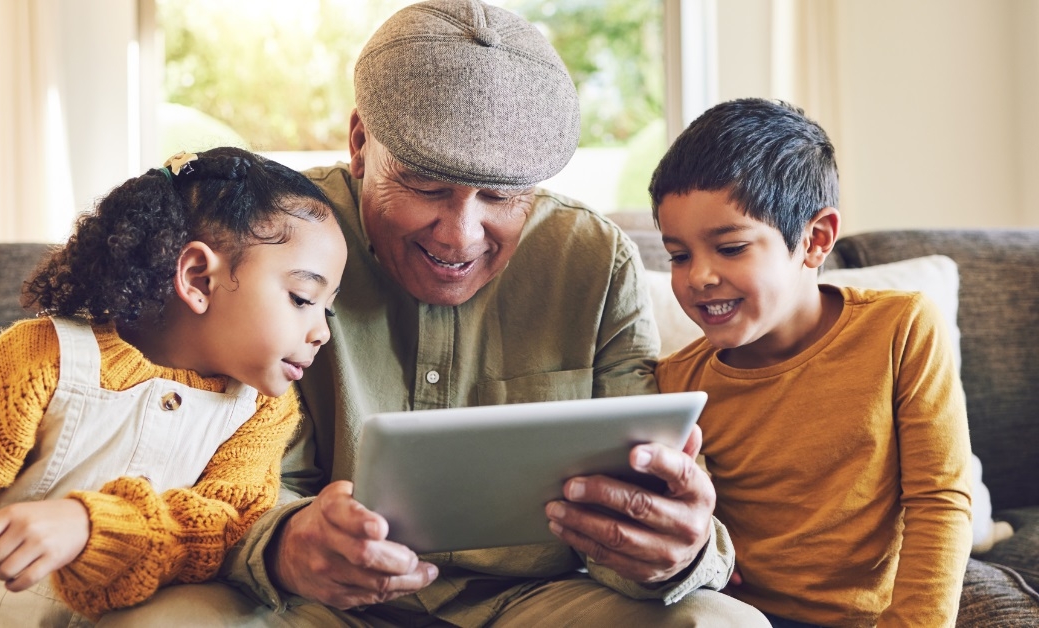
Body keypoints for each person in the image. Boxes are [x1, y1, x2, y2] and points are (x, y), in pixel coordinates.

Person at [101, 2, 769, 626]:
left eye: (502, 196)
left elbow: (652, 489)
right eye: (425, 185)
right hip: (320, 605)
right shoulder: (273, 244)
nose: (461, 235)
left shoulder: (594, 261)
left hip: (537, 602)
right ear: (361, 143)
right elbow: (215, 470)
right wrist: (284, 544)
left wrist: (678, 550)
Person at [0, 147, 348, 626]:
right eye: (303, 298)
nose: (323, 331)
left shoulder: (262, 411)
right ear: (197, 278)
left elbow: (221, 531)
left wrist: (90, 526)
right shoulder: (35, 363)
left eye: (328, 308)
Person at [650, 98, 973, 627]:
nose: (699, 277)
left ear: (815, 239)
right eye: (679, 255)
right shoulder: (676, 382)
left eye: (730, 248)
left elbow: (940, 501)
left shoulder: (902, 328)